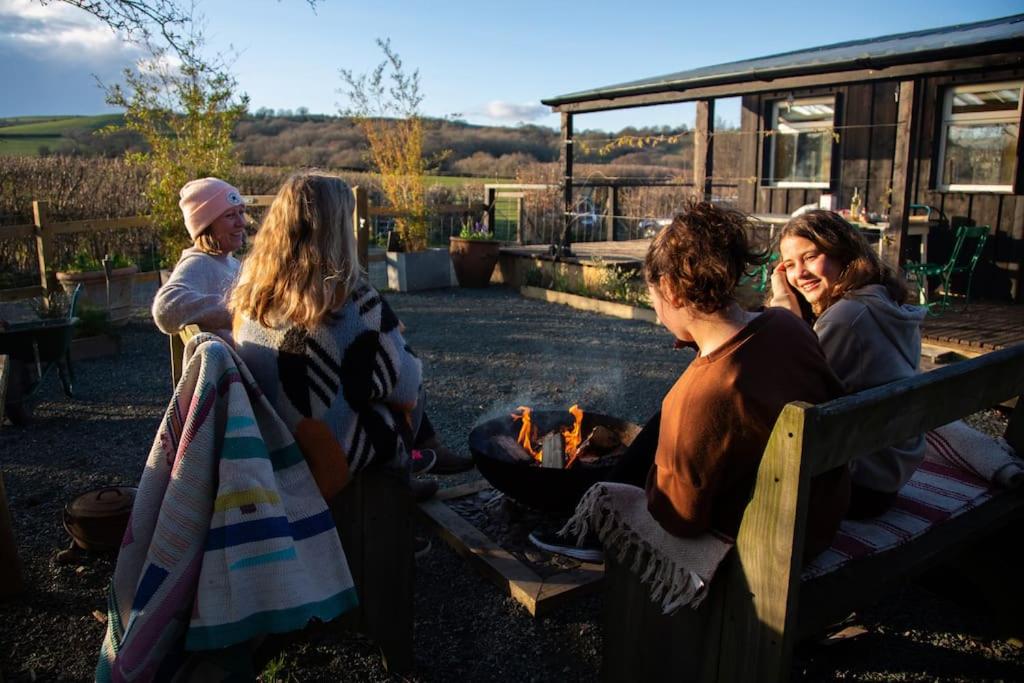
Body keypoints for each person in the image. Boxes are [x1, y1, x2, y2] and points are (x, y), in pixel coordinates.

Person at [531, 201, 850, 561]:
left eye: (652, 297)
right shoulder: (787, 325)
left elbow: (680, 520)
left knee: (640, 477)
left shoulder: (700, 394)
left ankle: (595, 537)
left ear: (671, 290)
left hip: (768, 544)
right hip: (820, 516)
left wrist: (653, 480)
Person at [229, 172, 443, 511]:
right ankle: (397, 496)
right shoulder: (352, 302)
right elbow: (405, 391)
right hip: (326, 464)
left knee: (370, 377)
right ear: (338, 230)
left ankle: (409, 471)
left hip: (270, 442)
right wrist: (395, 343)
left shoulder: (250, 298)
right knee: (407, 384)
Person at [768, 209, 926, 518]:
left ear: (842, 252)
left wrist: (787, 320)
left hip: (860, 484)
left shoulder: (846, 318)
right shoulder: (882, 301)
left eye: (811, 257)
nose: (799, 273)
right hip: (888, 471)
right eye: (789, 265)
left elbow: (793, 400)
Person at [152, 177, 247, 341]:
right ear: (206, 225)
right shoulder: (198, 262)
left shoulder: (231, 263)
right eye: (230, 215)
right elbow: (165, 309)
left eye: (241, 212)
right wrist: (238, 311)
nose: (241, 222)